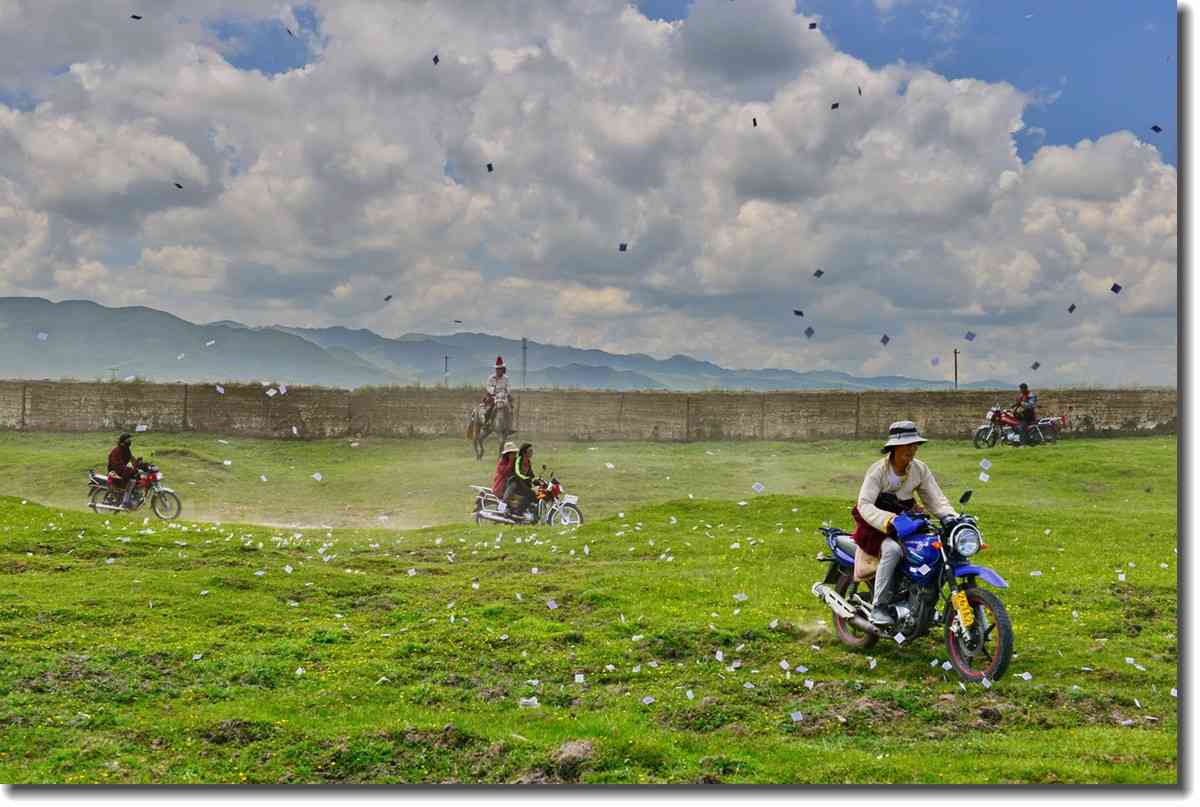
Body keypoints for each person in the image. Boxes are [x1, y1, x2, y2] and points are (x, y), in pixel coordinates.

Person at [851, 421, 958, 626]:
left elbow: (935, 498)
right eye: (907, 444)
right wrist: (889, 520)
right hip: (876, 527)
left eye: (915, 444)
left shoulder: (920, 469)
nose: (912, 449)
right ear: (894, 447)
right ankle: (880, 607)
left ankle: (923, 602)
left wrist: (949, 516)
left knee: (932, 551)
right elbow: (864, 504)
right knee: (892, 551)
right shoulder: (878, 471)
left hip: (908, 522)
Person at [107, 432, 141, 508]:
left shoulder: (126, 449)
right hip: (114, 472)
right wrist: (130, 470)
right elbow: (117, 465)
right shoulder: (116, 451)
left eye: (130, 439)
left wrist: (140, 464)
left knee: (137, 480)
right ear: (123, 441)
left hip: (122, 471)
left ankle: (131, 499)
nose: (130, 441)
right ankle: (125, 503)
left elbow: (132, 459)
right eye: (128, 439)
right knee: (131, 482)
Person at [503, 442, 536, 518]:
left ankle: (529, 512)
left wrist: (537, 480)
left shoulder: (528, 461)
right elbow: (517, 473)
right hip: (516, 482)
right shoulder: (518, 460)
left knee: (534, 495)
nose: (532, 453)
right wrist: (527, 478)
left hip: (523, 483)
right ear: (524, 452)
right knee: (530, 494)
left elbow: (531, 474)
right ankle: (518, 511)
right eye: (530, 451)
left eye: (532, 451)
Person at [483, 357, 510, 428]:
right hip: (493, 395)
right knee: (490, 407)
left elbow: (508, 387)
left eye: (500, 369)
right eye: (497, 369)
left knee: (509, 407)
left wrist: (506, 393)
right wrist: (493, 390)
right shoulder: (491, 378)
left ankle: (509, 425)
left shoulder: (506, 378)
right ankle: (487, 422)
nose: (498, 370)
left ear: (503, 369)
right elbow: (488, 387)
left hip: (503, 395)